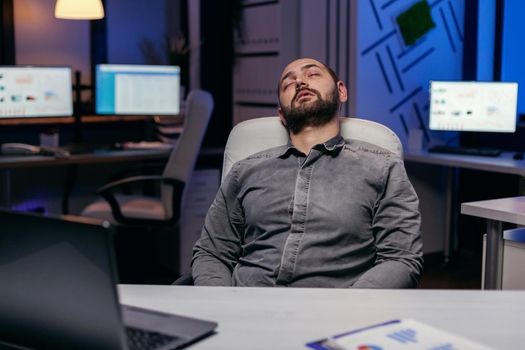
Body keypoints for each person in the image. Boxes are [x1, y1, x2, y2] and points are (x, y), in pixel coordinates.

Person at [192, 58, 423, 288]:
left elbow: (401, 259)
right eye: (288, 83)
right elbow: (212, 253)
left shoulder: (383, 167)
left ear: (341, 91)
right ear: (281, 113)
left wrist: (352, 309)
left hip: (336, 314)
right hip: (248, 308)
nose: (300, 82)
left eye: (312, 74)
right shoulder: (245, 171)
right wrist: (221, 305)